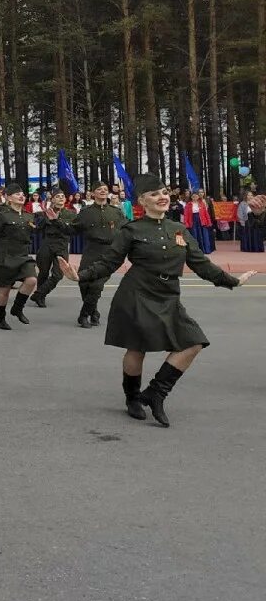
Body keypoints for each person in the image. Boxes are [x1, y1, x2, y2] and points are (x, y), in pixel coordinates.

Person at [60, 180, 263, 427]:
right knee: (137, 348)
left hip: (168, 294)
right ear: (142, 201)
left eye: (164, 193)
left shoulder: (179, 229)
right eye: (154, 194)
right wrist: (80, 276)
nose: (162, 197)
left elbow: (201, 264)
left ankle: (156, 392)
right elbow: (109, 262)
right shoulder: (131, 229)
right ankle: (132, 397)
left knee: (193, 342)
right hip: (137, 292)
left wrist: (232, 281)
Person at [72, 182, 125, 328]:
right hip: (91, 250)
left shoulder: (116, 212)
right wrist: (55, 222)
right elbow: (72, 229)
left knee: (96, 285)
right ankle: (94, 312)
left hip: (109, 253)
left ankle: (83, 315)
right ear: (93, 193)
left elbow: (126, 230)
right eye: (99, 189)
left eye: (105, 189)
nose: (103, 191)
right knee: (83, 282)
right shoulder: (86, 212)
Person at [0, 184, 38, 331]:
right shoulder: (3, 215)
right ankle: (0, 319)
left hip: (22, 255)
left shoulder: (29, 215)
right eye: (16, 194)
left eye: (22, 194)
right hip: (5, 256)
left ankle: (17, 308)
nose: (21, 196)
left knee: (32, 280)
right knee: (5, 290)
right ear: (8, 197)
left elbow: (32, 234)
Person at [30, 190, 77, 308]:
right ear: (53, 200)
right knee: (43, 272)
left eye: (62, 196)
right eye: (57, 196)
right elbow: (38, 229)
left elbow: (72, 230)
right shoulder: (45, 213)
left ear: (65, 200)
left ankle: (39, 293)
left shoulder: (71, 214)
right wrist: (36, 222)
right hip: (47, 244)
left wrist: (57, 220)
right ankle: (41, 297)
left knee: (58, 274)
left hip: (62, 245)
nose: (61, 198)